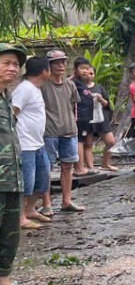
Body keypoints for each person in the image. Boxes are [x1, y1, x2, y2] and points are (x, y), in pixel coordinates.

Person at [0, 43, 31, 285]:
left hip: (12, 177)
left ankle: (4, 280)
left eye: (15, 64)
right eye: (6, 63)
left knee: (10, 232)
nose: (12, 68)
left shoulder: (6, 98)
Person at [40, 49, 83, 213]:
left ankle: (67, 200)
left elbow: (74, 106)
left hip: (69, 130)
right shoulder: (42, 85)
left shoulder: (70, 84)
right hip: (49, 131)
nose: (60, 65)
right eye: (56, 62)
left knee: (68, 166)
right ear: (48, 65)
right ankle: (46, 203)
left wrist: (75, 124)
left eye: (63, 62)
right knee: (46, 167)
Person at [11, 57, 50, 230]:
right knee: (26, 182)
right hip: (25, 144)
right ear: (44, 71)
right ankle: (20, 218)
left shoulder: (35, 88)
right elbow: (12, 112)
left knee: (42, 179)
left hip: (37, 143)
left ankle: (30, 209)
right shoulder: (24, 89)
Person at [72, 58, 116, 174]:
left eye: (91, 72)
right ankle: (89, 167)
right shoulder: (76, 84)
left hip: (100, 118)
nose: (88, 74)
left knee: (111, 141)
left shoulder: (99, 87)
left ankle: (105, 163)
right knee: (87, 143)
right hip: (85, 118)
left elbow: (107, 104)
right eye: (84, 70)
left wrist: (100, 98)